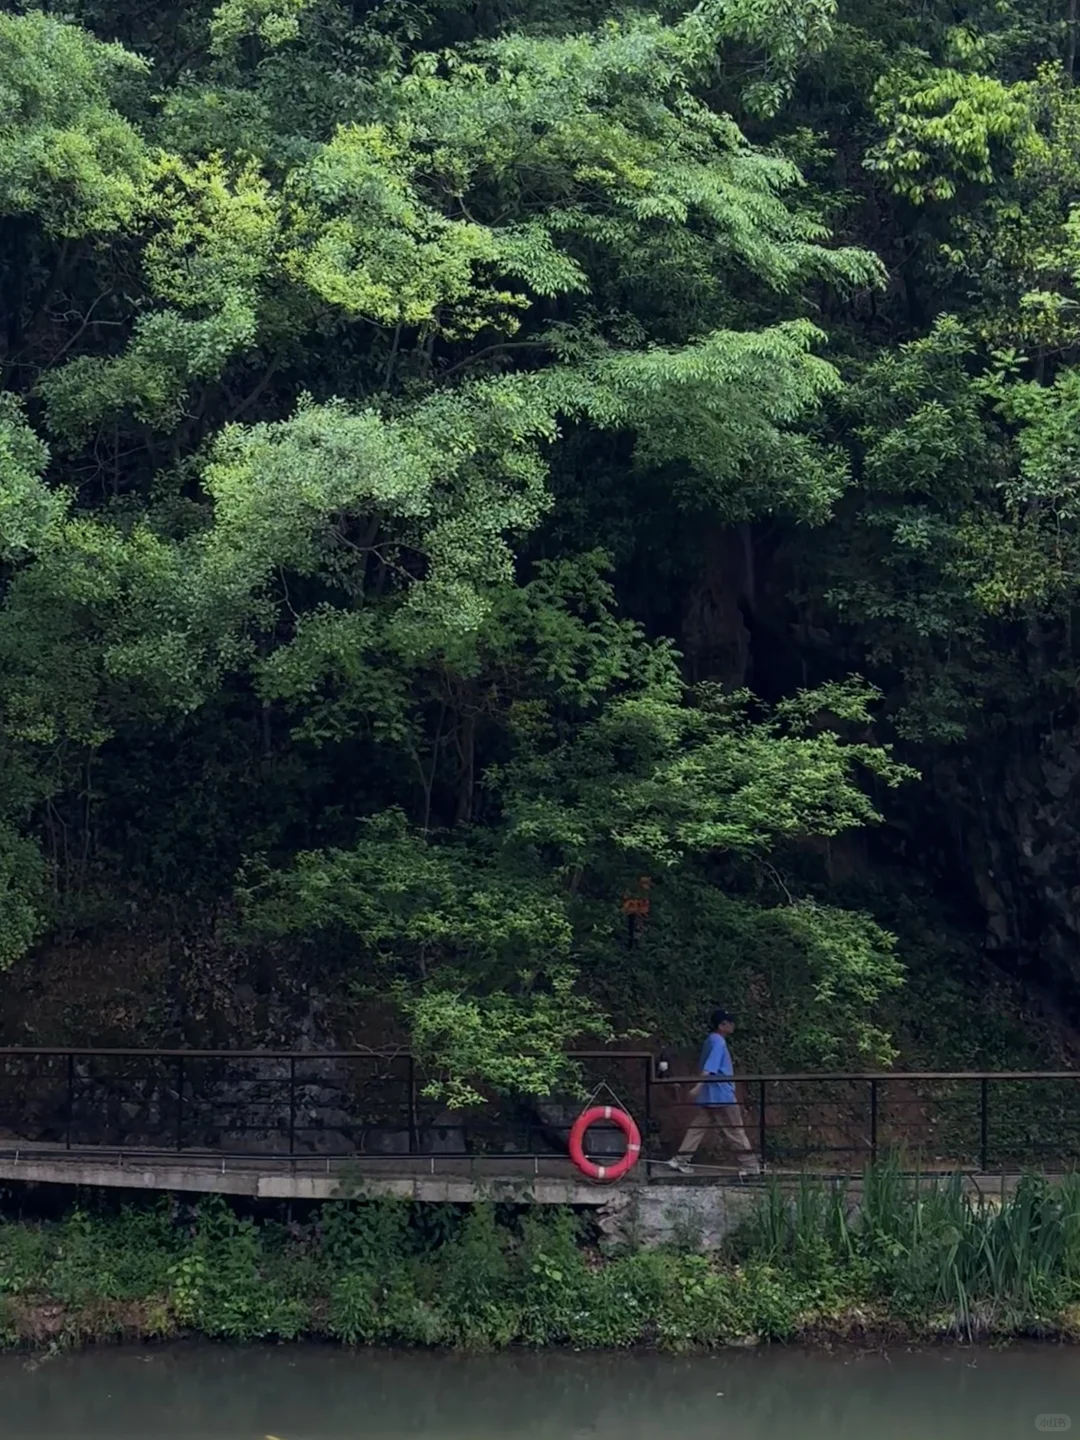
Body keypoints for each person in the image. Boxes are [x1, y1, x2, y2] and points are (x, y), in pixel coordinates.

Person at [665, 1009, 761, 1176]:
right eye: (729, 1022)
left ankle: (680, 1159)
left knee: (698, 1127)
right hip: (721, 1095)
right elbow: (710, 1068)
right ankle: (751, 1166)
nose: (733, 1025)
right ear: (722, 1025)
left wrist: (699, 1088)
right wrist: (698, 1086)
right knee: (735, 1130)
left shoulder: (710, 1040)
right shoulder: (719, 1043)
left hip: (709, 1095)